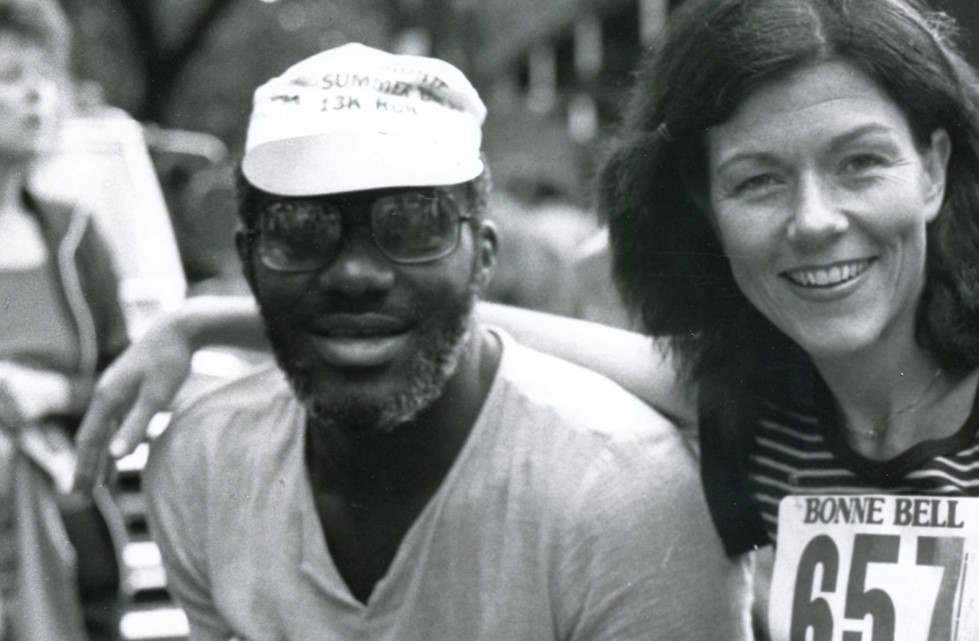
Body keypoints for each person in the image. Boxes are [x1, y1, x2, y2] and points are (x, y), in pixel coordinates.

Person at [71, 1, 979, 639]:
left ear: (936, 171)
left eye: (860, 163)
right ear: (706, 215)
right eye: (759, 181)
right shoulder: (774, 411)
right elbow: (465, 319)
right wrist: (217, 323)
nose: (816, 221)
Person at [130, 43, 750, 641]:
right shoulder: (204, 466)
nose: (356, 274)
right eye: (301, 228)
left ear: (482, 259)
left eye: (413, 224)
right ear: (249, 259)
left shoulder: (623, 492)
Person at [0, 1, 127, 640]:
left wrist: (54, 393)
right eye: (11, 73)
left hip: (73, 562)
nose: (36, 95)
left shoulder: (77, 238)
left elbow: (125, 383)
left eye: (45, 76)